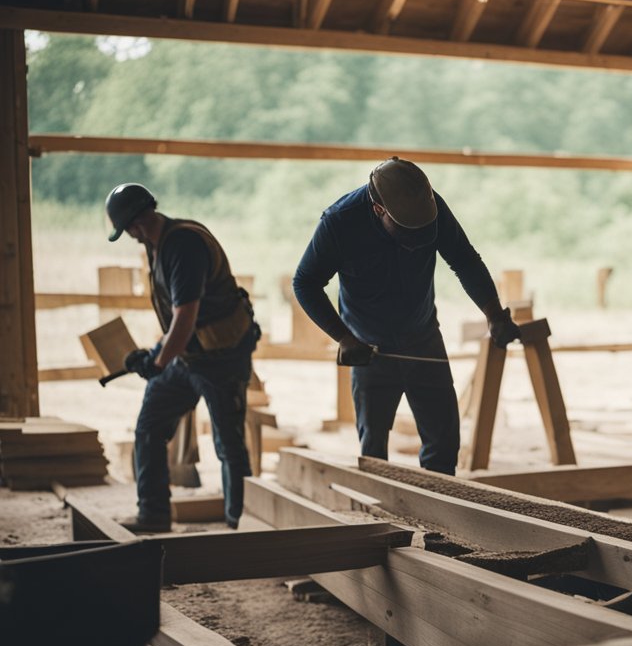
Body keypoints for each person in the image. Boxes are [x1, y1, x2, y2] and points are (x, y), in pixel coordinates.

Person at [293, 157, 521, 475]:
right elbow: (305, 282)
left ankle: (440, 518)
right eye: (408, 231)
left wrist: (494, 313)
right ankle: (382, 521)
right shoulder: (339, 222)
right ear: (378, 210)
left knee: (444, 444)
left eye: (424, 231)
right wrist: (343, 337)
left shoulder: (432, 207)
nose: (417, 241)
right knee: (374, 452)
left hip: (423, 337)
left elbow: (464, 260)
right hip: (368, 348)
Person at [105, 183, 260, 533]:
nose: (131, 237)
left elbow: (186, 317)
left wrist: (157, 363)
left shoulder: (182, 245)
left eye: (128, 231)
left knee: (229, 445)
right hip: (189, 356)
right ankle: (154, 514)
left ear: (134, 224)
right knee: (149, 427)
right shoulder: (158, 245)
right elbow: (177, 320)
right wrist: (155, 353)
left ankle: (243, 527)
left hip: (221, 359)